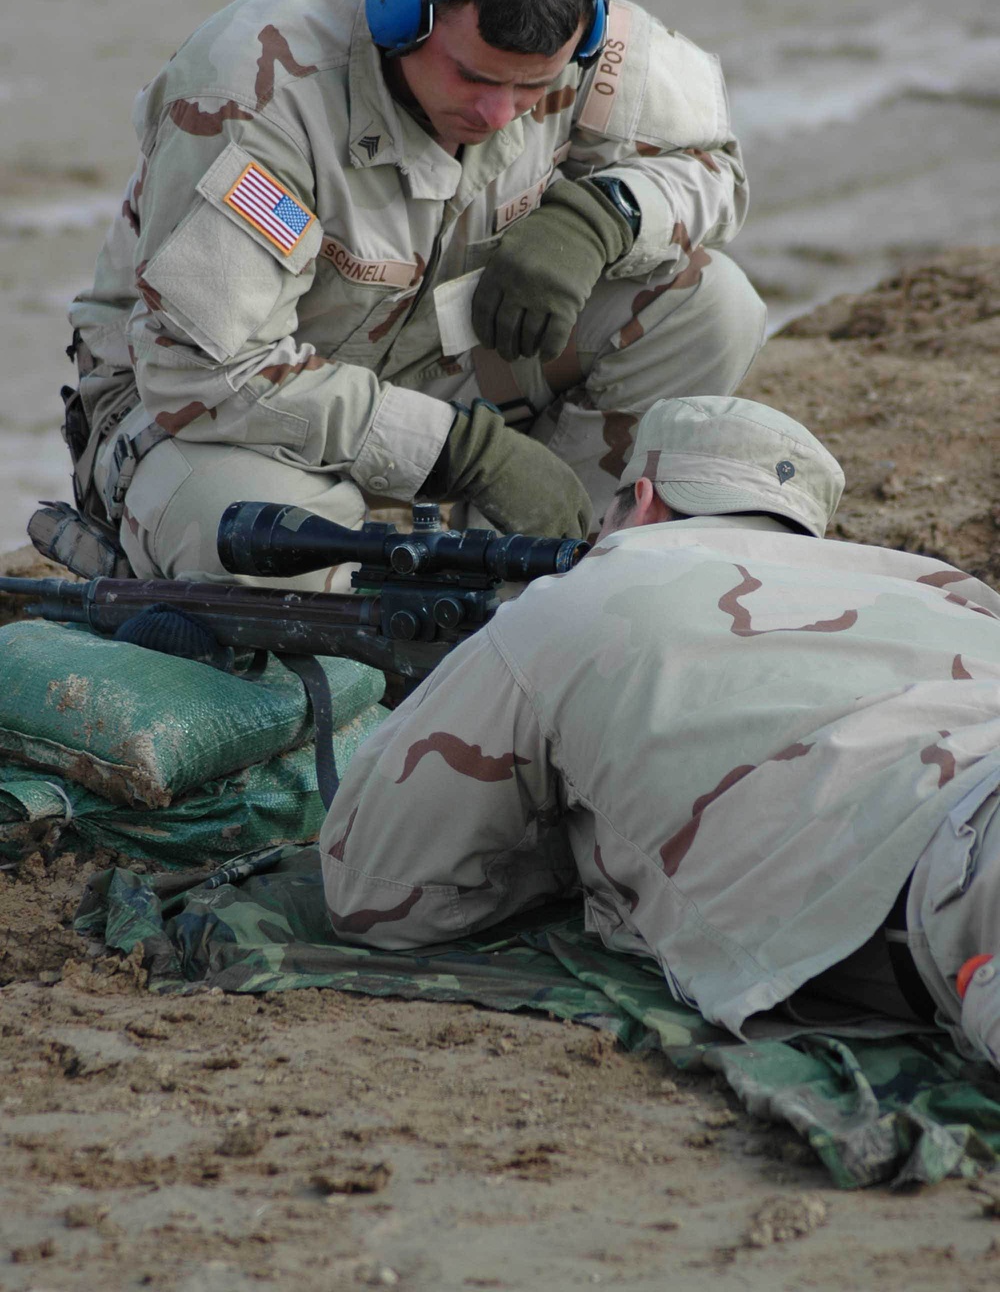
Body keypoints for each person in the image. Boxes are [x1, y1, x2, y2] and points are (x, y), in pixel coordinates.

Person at [62, 0, 765, 588]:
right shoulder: (254, 95)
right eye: (475, 78)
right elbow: (202, 377)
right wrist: (466, 452)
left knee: (711, 308)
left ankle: (536, 587)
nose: (501, 112)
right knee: (276, 550)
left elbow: (713, 169)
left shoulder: (581, 31)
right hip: (205, 417)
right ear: (402, 15)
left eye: (533, 85)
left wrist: (598, 220)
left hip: (433, 363)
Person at [320, 394, 1000, 1073]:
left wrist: (578, 836)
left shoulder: (590, 593)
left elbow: (377, 894)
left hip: (957, 860)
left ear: (642, 501)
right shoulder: (945, 590)